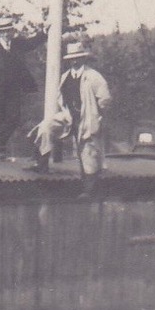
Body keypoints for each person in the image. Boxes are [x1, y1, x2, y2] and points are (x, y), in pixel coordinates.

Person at [0, 14, 46, 162]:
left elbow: (32, 43)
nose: (6, 33)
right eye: (3, 31)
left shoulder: (17, 44)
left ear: (11, 31)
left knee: (14, 118)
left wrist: (45, 33)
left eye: (8, 30)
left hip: (14, 88)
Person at [57, 40, 112, 198]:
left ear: (83, 58)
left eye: (78, 57)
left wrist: (99, 116)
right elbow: (60, 97)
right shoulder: (65, 77)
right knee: (48, 130)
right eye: (71, 58)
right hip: (70, 118)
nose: (74, 61)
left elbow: (105, 99)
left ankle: (89, 190)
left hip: (87, 118)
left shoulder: (93, 77)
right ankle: (40, 162)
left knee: (88, 152)